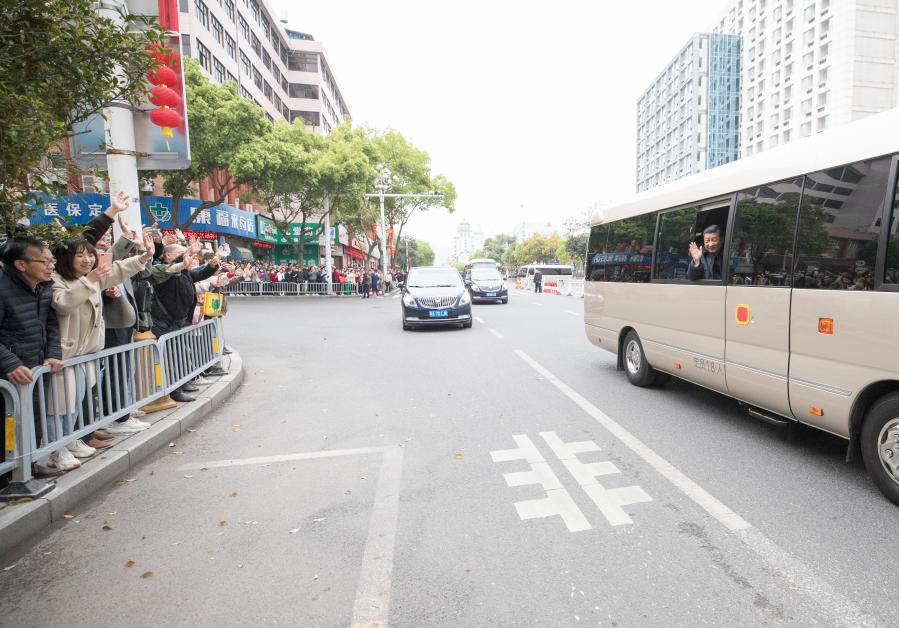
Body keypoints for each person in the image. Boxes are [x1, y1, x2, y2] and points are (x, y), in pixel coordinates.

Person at [49, 232, 155, 462]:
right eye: (81, 255)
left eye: (90, 254)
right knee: (60, 406)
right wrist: (91, 279)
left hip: (87, 354)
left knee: (76, 403)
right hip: (65, 355)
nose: (88, 259)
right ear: (66, 258)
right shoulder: (58, 281)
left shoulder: (91, 277)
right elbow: (63, 304)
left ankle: (70, 441)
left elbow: (118, 269)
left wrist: (145, 256)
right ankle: (55, 451)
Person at [0, 239, 65, 469]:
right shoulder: (3, 288)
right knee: (9, 422)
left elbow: (51, 323)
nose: (51, 266)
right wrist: (9, 363)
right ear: (21, 264)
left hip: (35, 368)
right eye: (44, 261)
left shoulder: (43, 287)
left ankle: (29, 466)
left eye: (52, 260)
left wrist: (53, 353)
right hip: (10, 374)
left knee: (33, 418)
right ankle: (9, 474)